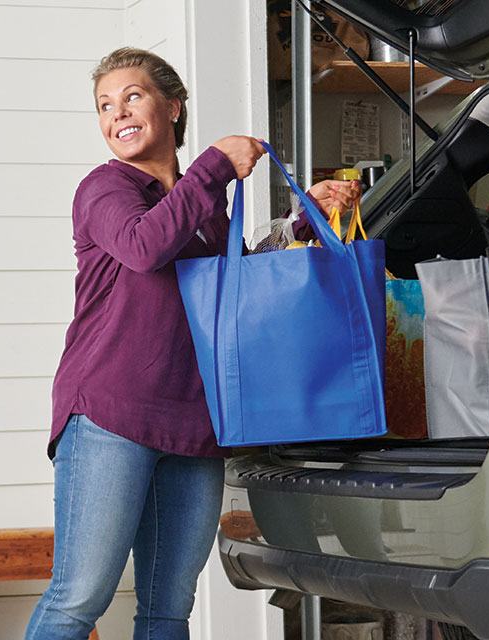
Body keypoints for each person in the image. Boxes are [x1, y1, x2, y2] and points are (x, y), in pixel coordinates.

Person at [25, 47, 360, 640]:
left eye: (132, 96)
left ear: (173, 107)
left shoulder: (202, 203)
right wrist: (214, 166)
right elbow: (144, 246)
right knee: (79, 598)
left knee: (168, 607)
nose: (116, 114)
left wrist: (305, 222)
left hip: (194, 427)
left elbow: (237, 293)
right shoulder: (104, 190)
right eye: (104, 105)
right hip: (110, 416)